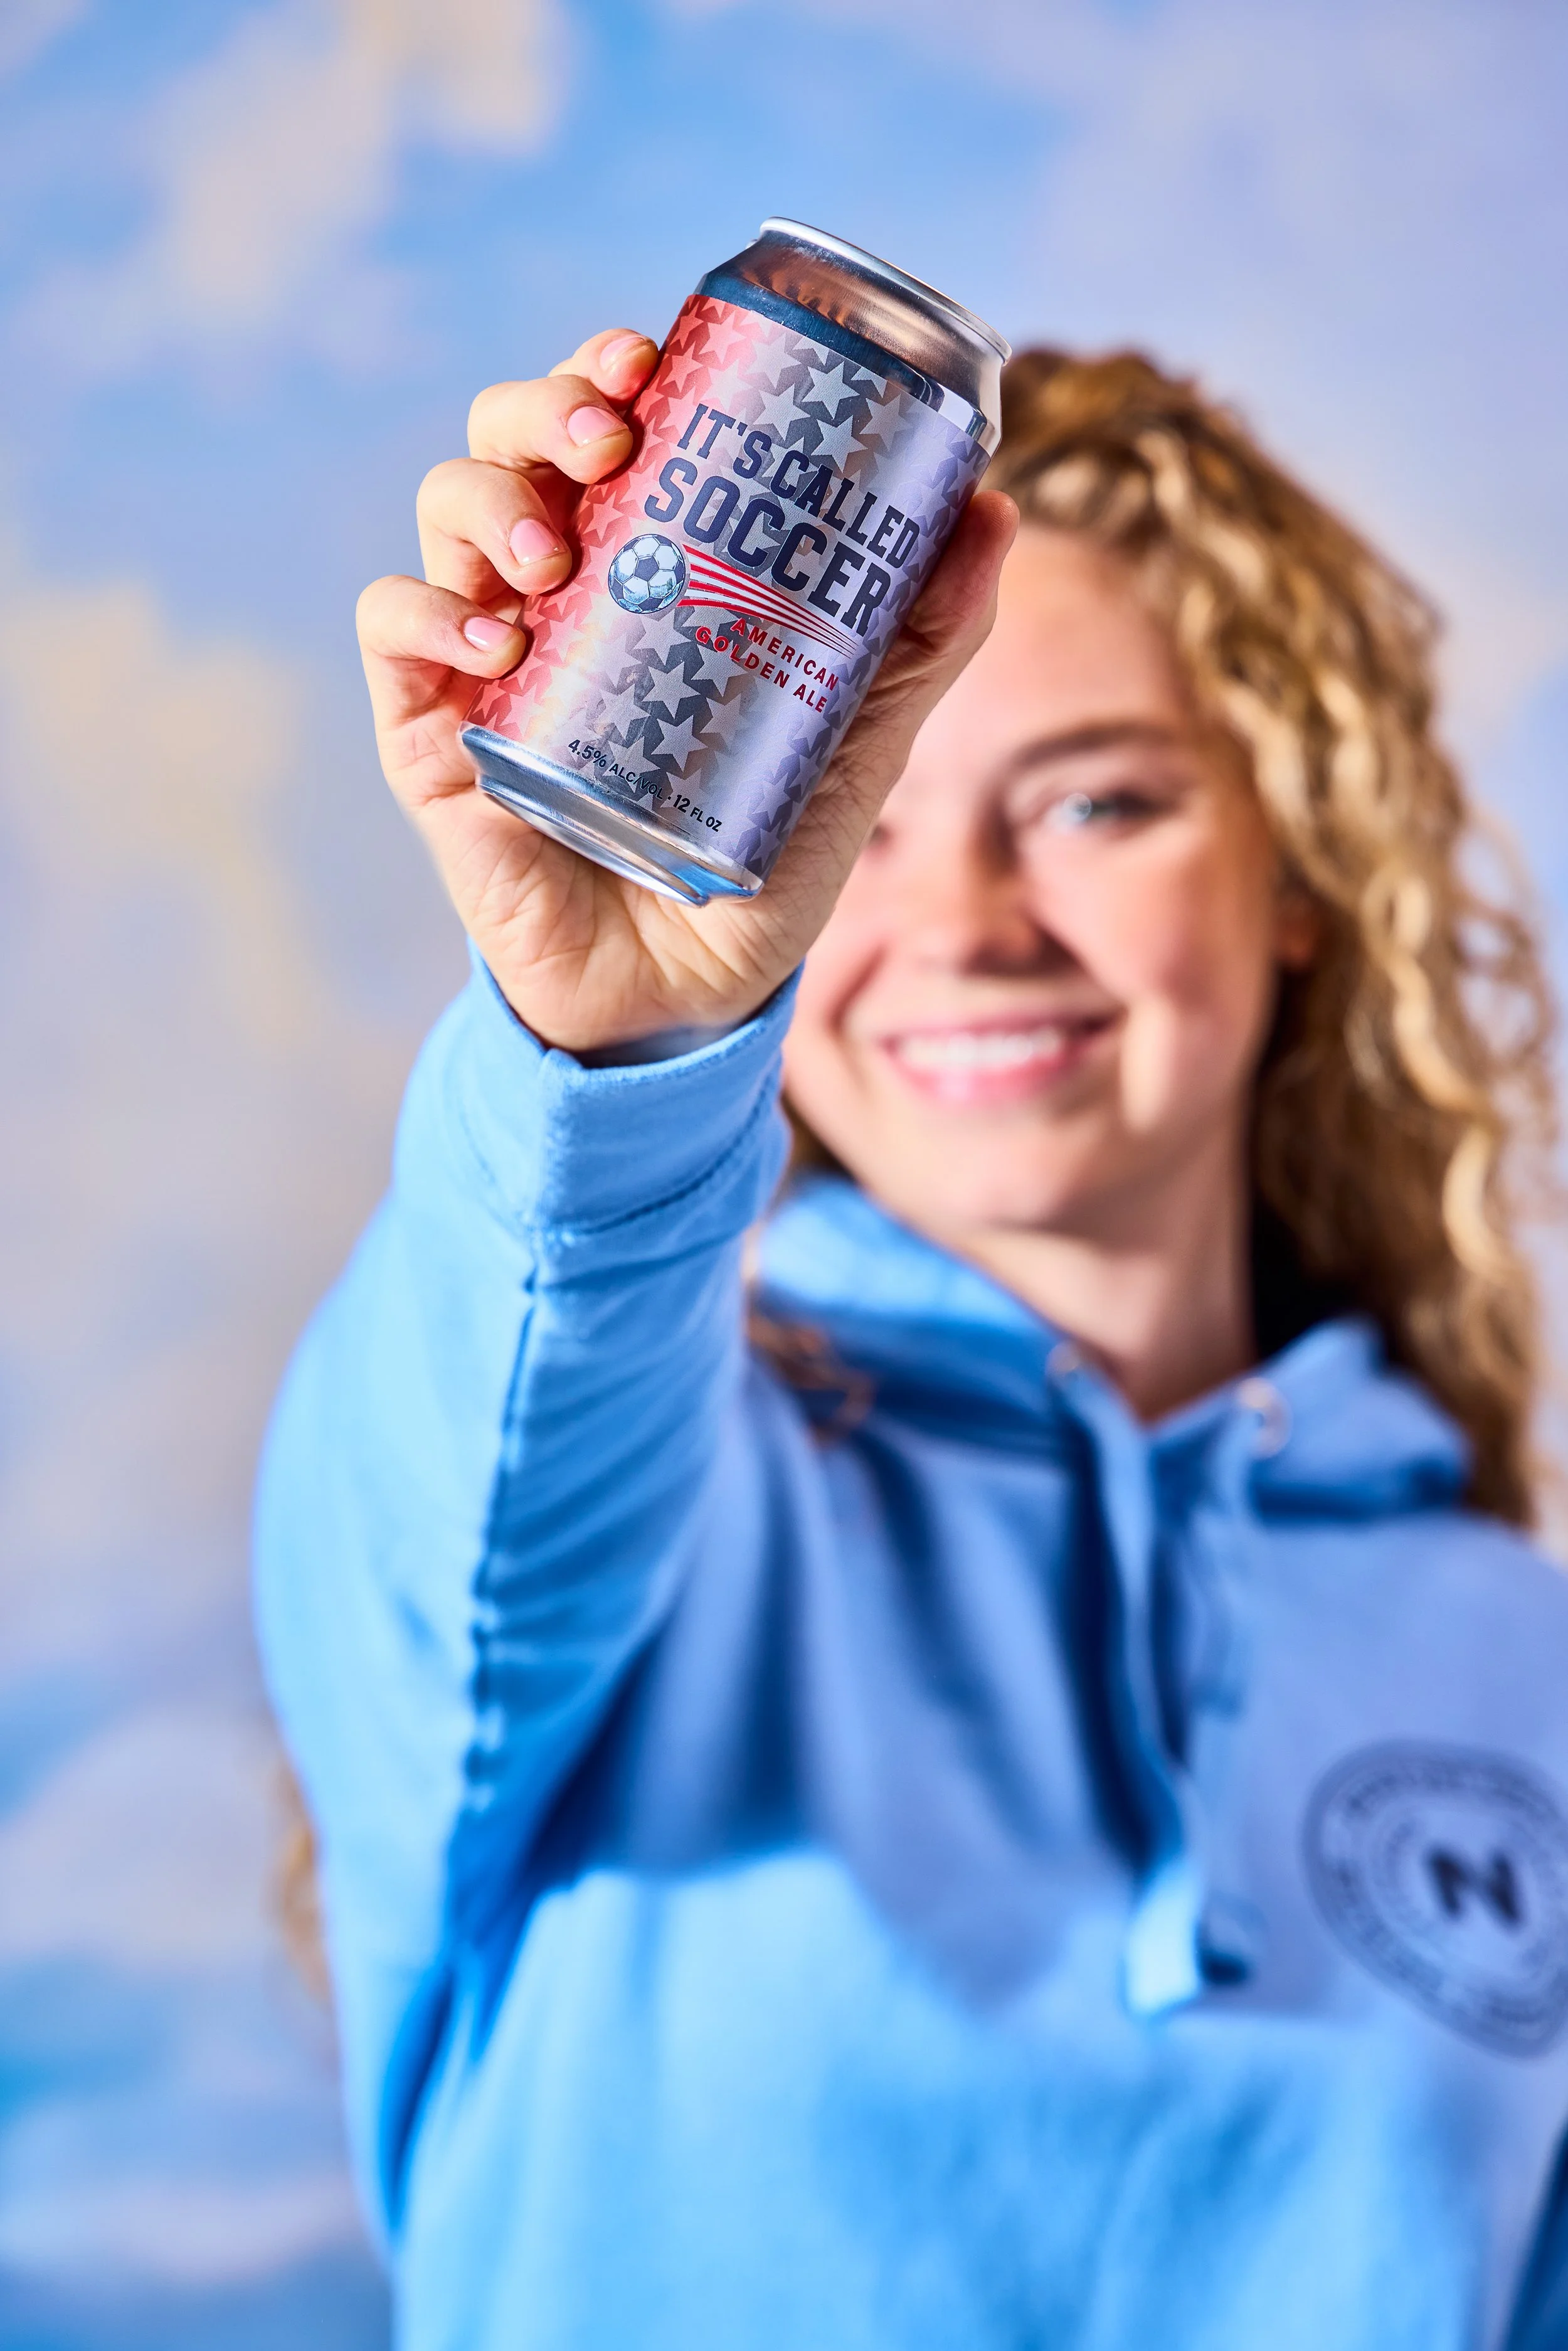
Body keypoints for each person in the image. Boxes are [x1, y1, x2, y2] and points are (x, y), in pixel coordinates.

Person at [257, 325, 1568, 2351]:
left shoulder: (1517, 1654)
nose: (960, 921)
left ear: (1296, 867)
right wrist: (617, 1034)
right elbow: (526, 1369)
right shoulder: (623, 1489)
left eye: (1098, 803)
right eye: (853, 815)